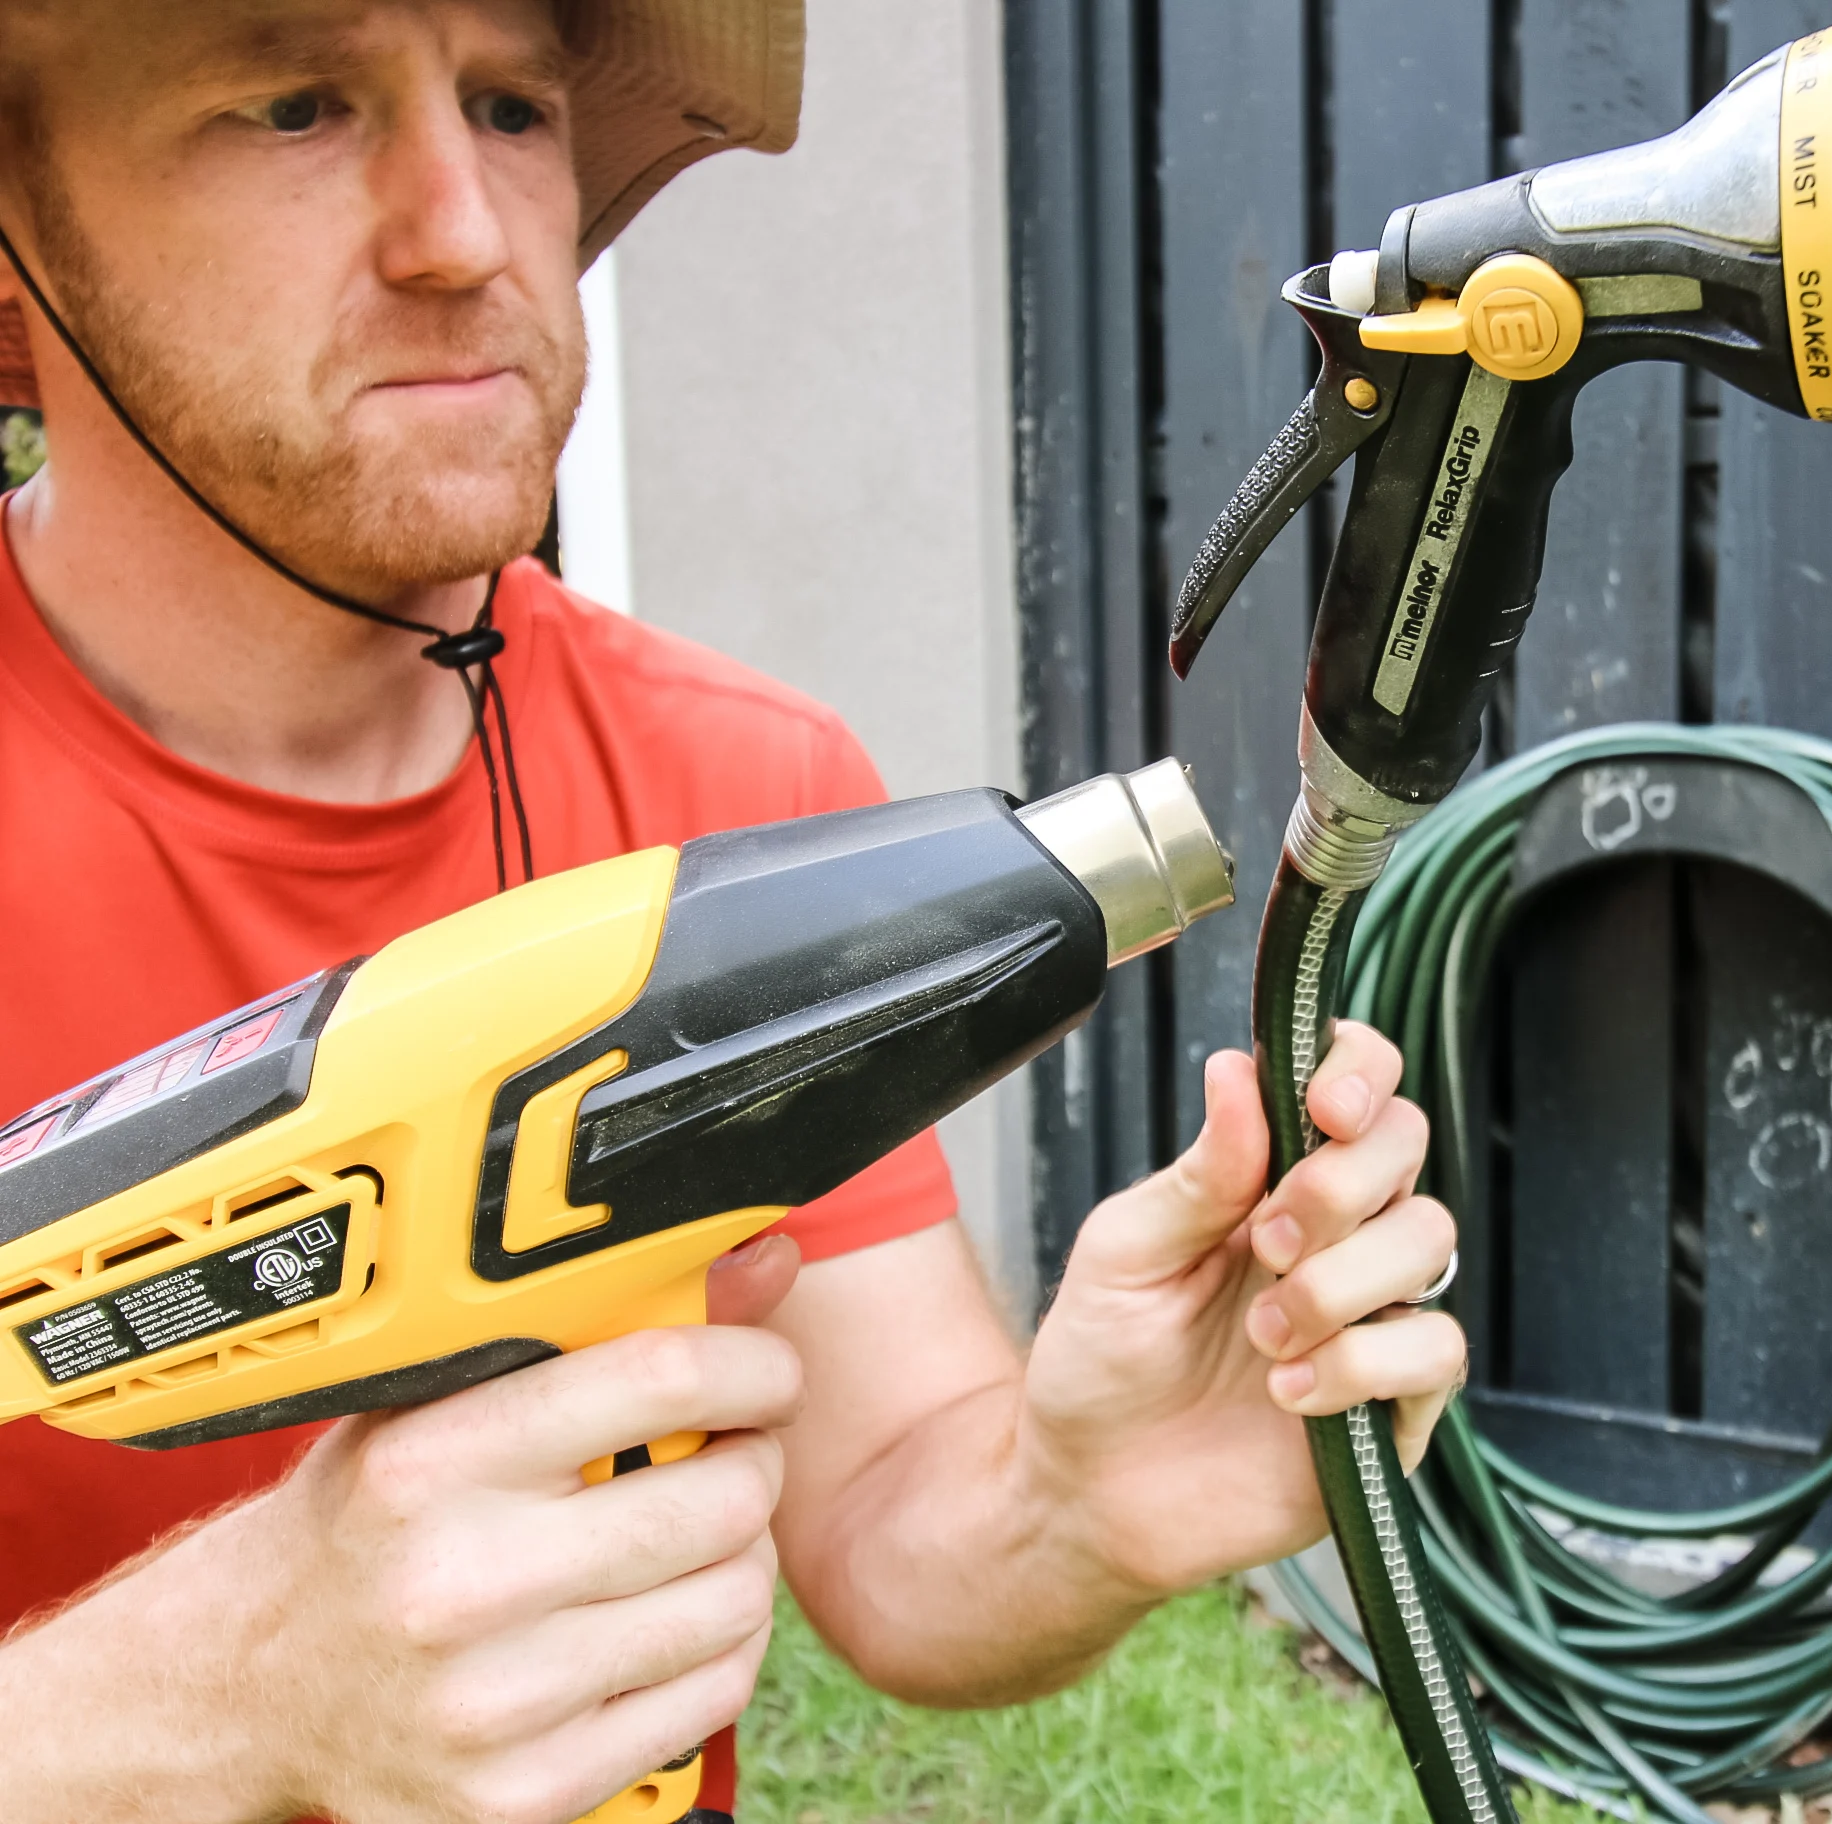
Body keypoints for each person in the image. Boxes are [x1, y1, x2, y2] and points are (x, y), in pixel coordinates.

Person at [0, 4, 1467, 1821]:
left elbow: (885, 1531)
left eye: (516, 107)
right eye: (294, 104)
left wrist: (1081, 1502)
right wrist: (228, 1689)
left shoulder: (741, 798)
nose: (464, 231)